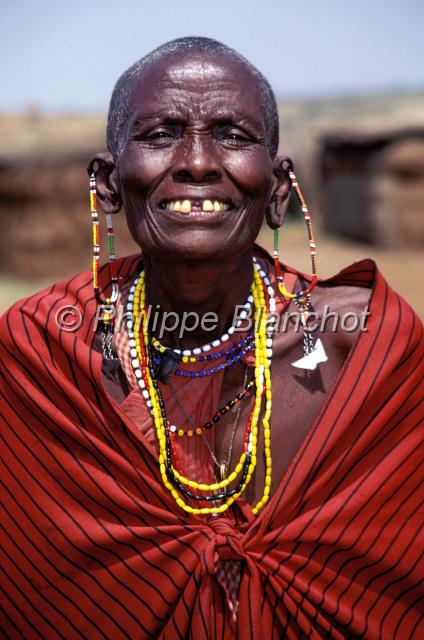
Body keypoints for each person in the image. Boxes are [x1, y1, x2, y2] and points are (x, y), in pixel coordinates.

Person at [0, 37, 422, 640]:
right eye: (160, 134)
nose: (197, 160)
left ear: (279, 189)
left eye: (232, 135)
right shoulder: (42, 355)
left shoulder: (369, 349)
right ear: (108, 184)